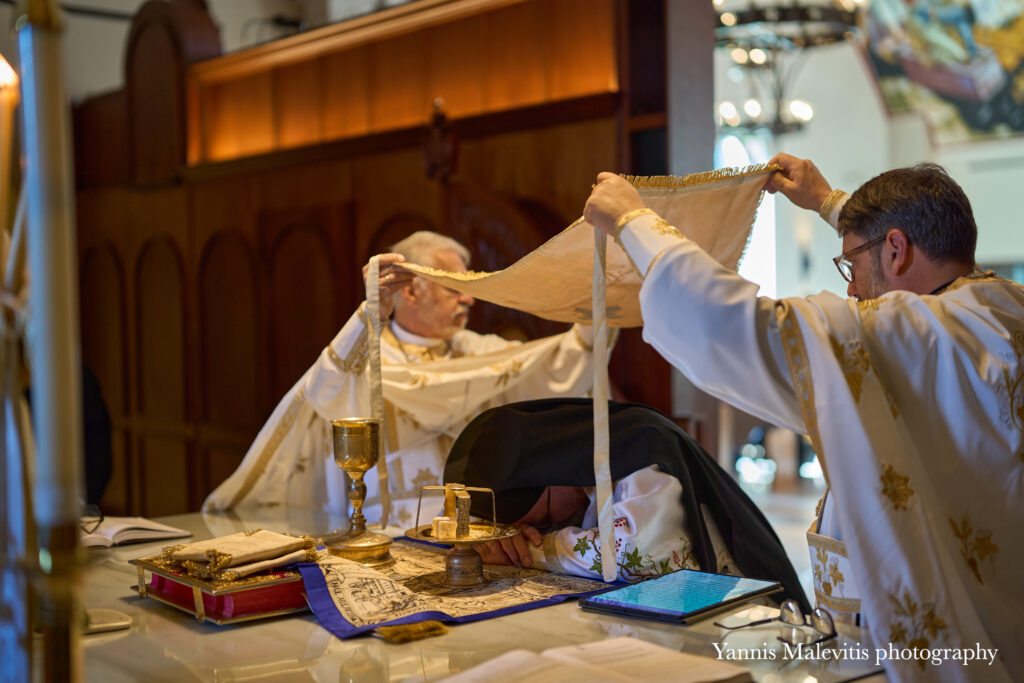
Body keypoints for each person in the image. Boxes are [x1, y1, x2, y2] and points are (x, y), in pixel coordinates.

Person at [582, 155, 1022, 680]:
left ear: (898, 250)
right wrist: (826, 201)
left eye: (852, 266)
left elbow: (737, 327)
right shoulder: (998, 309)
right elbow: (893, 248)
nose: (852, 290)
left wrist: (636, 224)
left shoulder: (918, 336)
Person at [204, 231, 600, 529]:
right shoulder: (373, 357)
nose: (469, 299)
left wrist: (598, 307)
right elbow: (324, 391)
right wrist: (369, 315)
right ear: (410, 292)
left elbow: (558, 365)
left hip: (475, 533)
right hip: (391, 535)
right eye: (455, 288)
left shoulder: (480, 353)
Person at [443, 398, 810, 608]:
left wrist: (534, 551)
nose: (547, 527)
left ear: (554, 469)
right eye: (534, 528)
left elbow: (642, 552)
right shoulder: (578, 467)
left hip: (737, 611)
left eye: (545, 517)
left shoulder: (638, 443)